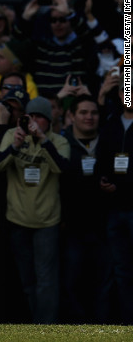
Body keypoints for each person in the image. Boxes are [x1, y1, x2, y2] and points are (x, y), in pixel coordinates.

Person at [0, 96, 70, 323]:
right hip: (18, 220)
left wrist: (43, 140)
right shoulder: (11, 136)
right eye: (31, 116)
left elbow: (62, 169)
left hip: (47, 223)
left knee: (47, 283)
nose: (35, 121)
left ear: (49, 121)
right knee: (27, 282)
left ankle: (45, 330)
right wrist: (16, 146)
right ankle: (32, 327)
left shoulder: (58, 141)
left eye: (40, 117)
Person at [59, 95, 112, 323]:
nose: (89, 117)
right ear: (71, 116)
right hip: (72, 228)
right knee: (73, 285)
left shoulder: (109, 142)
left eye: (94, 112)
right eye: (83, 112)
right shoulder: (62, 145)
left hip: (105, 227)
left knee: (104, 287)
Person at [95, 77, 133, 324]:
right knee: (120, 272)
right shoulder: (110, 124)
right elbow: (101, 161)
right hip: (113, 209)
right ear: (120, 95)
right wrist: (102, 180)